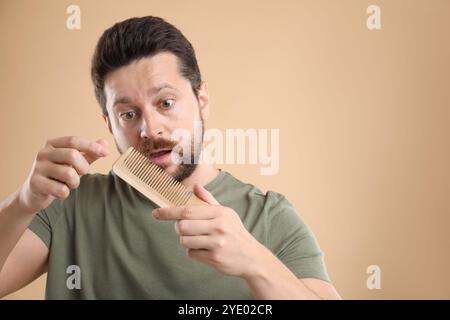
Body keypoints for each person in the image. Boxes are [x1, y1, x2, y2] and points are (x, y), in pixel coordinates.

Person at [0, 16, 341, 299]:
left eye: (165, 103)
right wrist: (22, 203)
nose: (150, 128)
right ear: (109, 124)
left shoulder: (270, 218)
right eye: (128, 115)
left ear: (201, 99)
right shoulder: (68, 204)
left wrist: (255, 262)